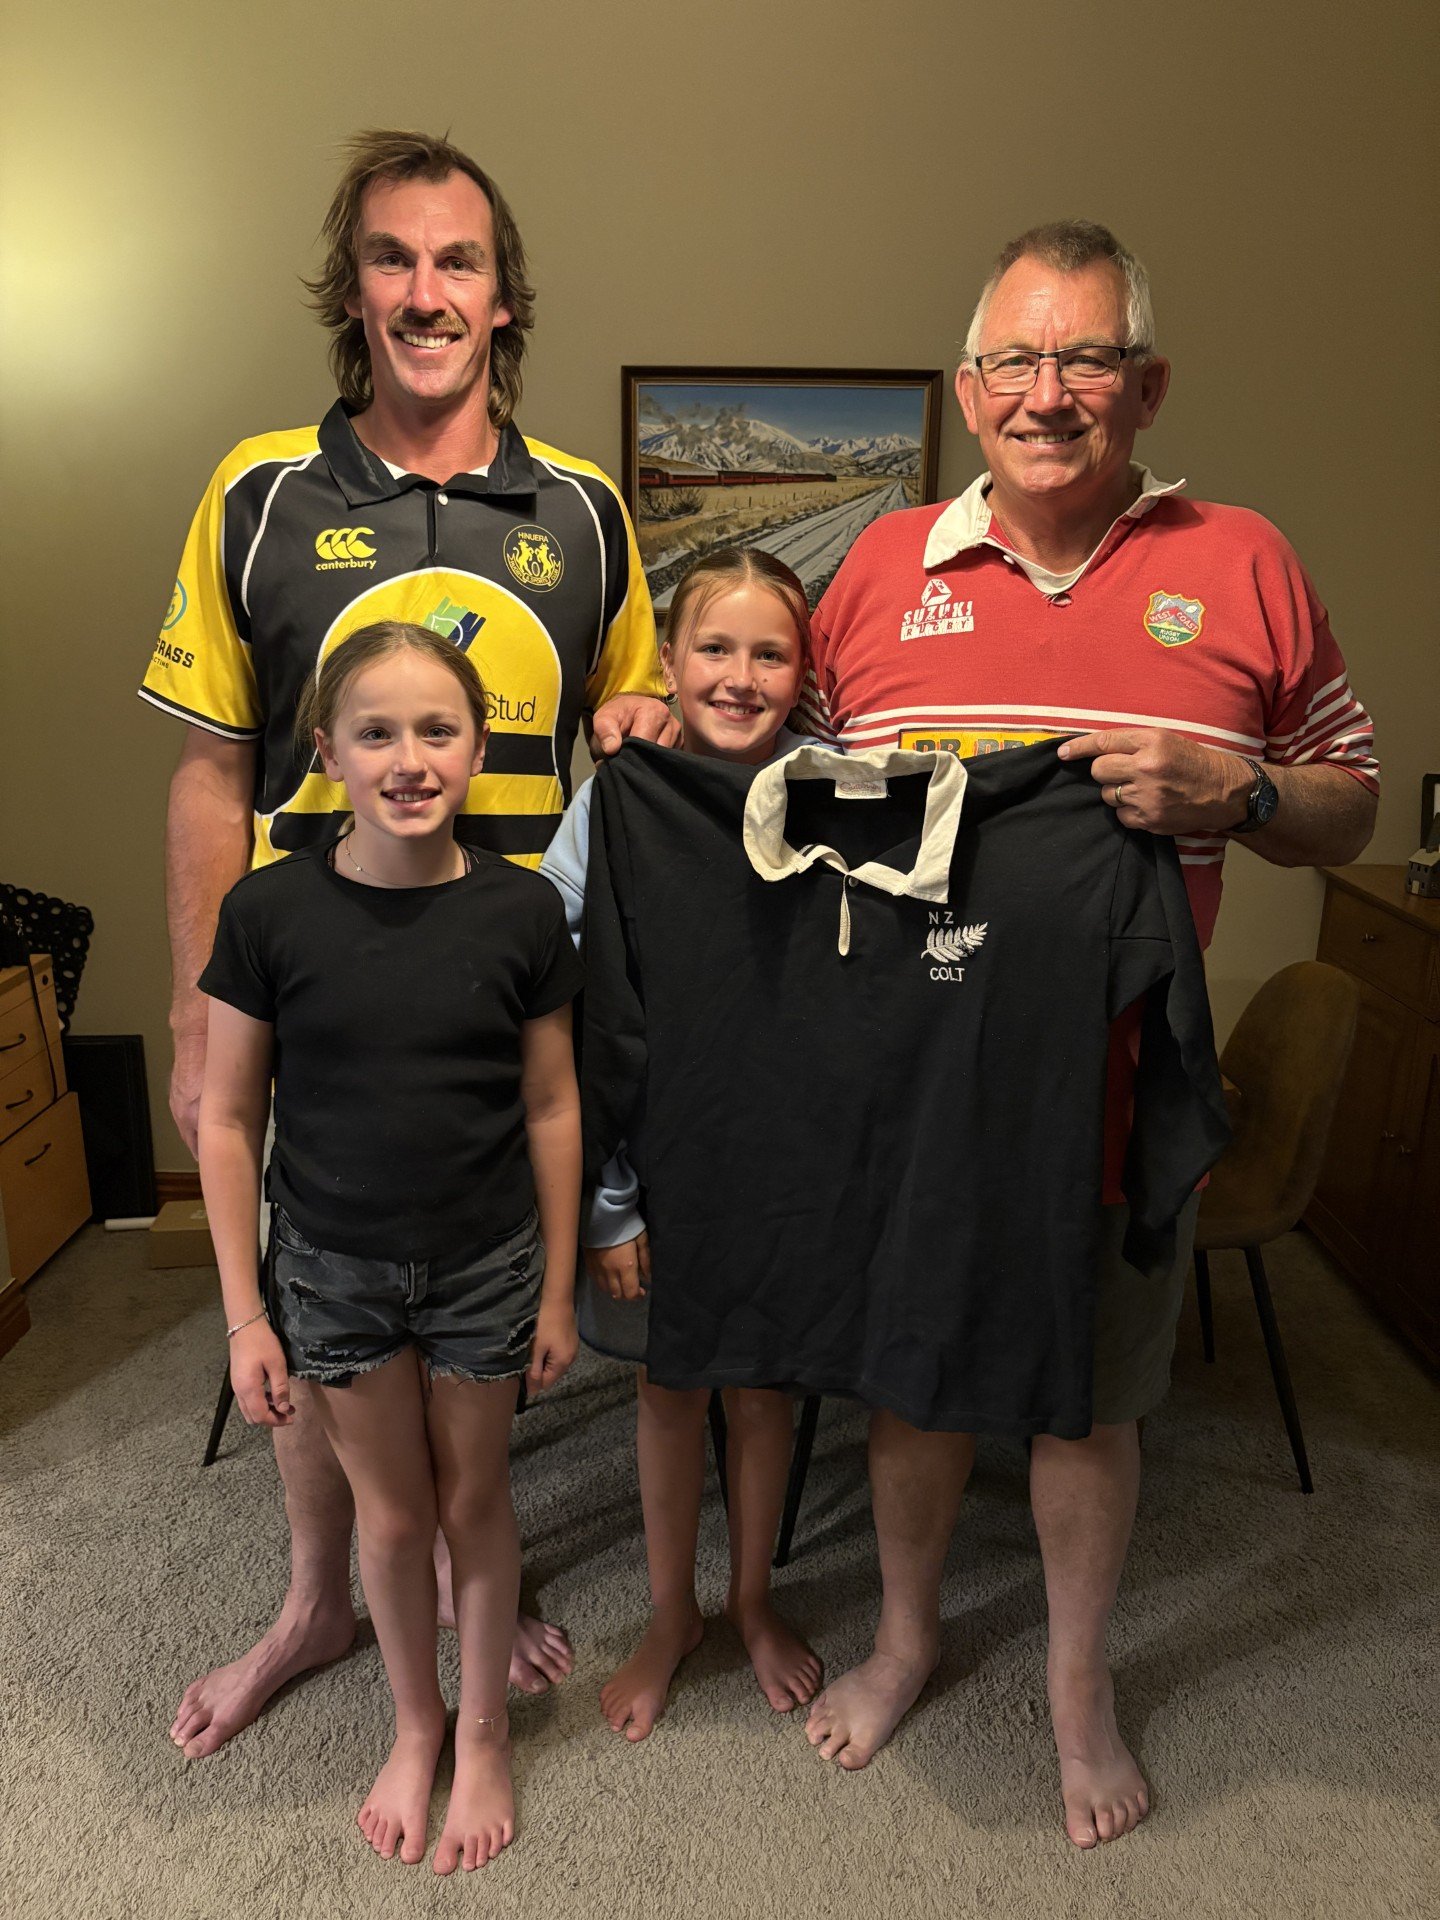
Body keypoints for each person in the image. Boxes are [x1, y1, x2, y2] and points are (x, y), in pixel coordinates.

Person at [793, 221, 1378, 1845]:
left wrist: (1242, 790)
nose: (1050, 394)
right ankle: (909, 1637)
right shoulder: (877, 566)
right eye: (1017, 363)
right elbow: (791, 806)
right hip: (917, 1088)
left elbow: (1351, 796)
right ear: (969, 391)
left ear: (1145, 383)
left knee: (1090, 1404)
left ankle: (1076, 1681)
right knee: (909, 1388)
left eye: (1087, 358)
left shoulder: (1244, 557)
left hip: (1122, 1091)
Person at [148, 128, 674, 1762]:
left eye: (459, 261)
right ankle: (324, 1598)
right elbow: (213, 767)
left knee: (488, 1283)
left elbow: (635, 762)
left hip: (514, 988)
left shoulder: (586, 511)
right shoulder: (259, 493)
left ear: (505, 302)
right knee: (325, 1291)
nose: (427, 290)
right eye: (393, 257)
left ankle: (461, 1562)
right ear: (352, 291)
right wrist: (191, 1009)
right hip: (312, 986)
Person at [200, 620, 583, 1871]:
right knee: (392, 1513)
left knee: (475, 1501)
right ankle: (413, 1725)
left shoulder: (525, 912)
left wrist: (561, 1288)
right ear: (327, 751)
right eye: (377, 732)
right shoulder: (268, 910)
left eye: (438, 730)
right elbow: (227, 1114)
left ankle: (480, 1735)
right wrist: (245, 1316)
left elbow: (551, 1107)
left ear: (479, 748)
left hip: (486, 1268)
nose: (409, 758)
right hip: (334, 1271)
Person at [542, 549, 825, 1740]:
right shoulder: (622, 795)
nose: (741, 675)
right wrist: (609, 1206)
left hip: (784, 1163)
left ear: (806, 675)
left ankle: (752, 1597)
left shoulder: (836, 793)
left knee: (762, 1395)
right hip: (654, 1162)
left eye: (771, 652)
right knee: (669, 1393)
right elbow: (573, 993)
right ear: (668, 664)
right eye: (717, 648)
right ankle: (673, 1612)